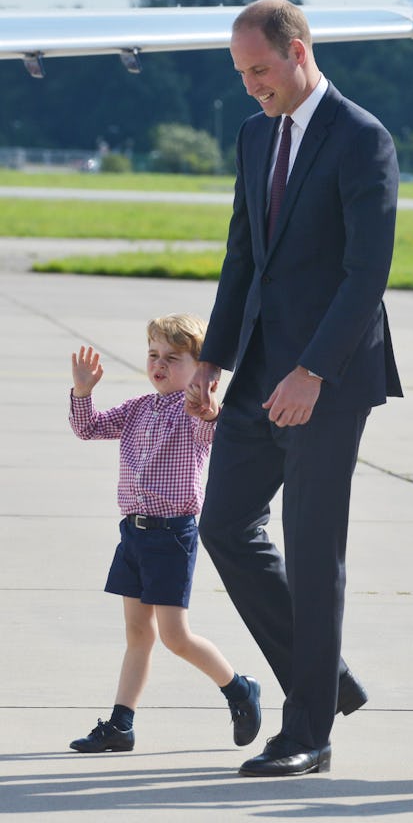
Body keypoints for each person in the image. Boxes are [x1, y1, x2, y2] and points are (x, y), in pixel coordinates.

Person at [186, 0, 401, 778]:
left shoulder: (362, 138)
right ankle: (325, 677)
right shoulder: (253, 136)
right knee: (224, 527)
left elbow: (366, 273)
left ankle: (308, 731)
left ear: (299, 51)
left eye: (260, 70)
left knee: (313, 554)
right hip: (255, 372)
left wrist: (314, 370)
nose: (251, 86)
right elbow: (243, 256)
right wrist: (213, 358)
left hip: (328, 380)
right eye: (241, 74)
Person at [67, 315, 261, 754]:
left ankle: (239, 688)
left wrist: (208, 408)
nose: (159, 364)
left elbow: (209, 427)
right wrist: (83, 392)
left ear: (200, 368)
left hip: (172, 536)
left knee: (175, 636)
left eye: (173, 358)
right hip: (133, 535)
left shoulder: (192, 411)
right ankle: (121, 725)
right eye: (154, 355)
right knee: (138, 633)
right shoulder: (138, 407)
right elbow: (88, 428)